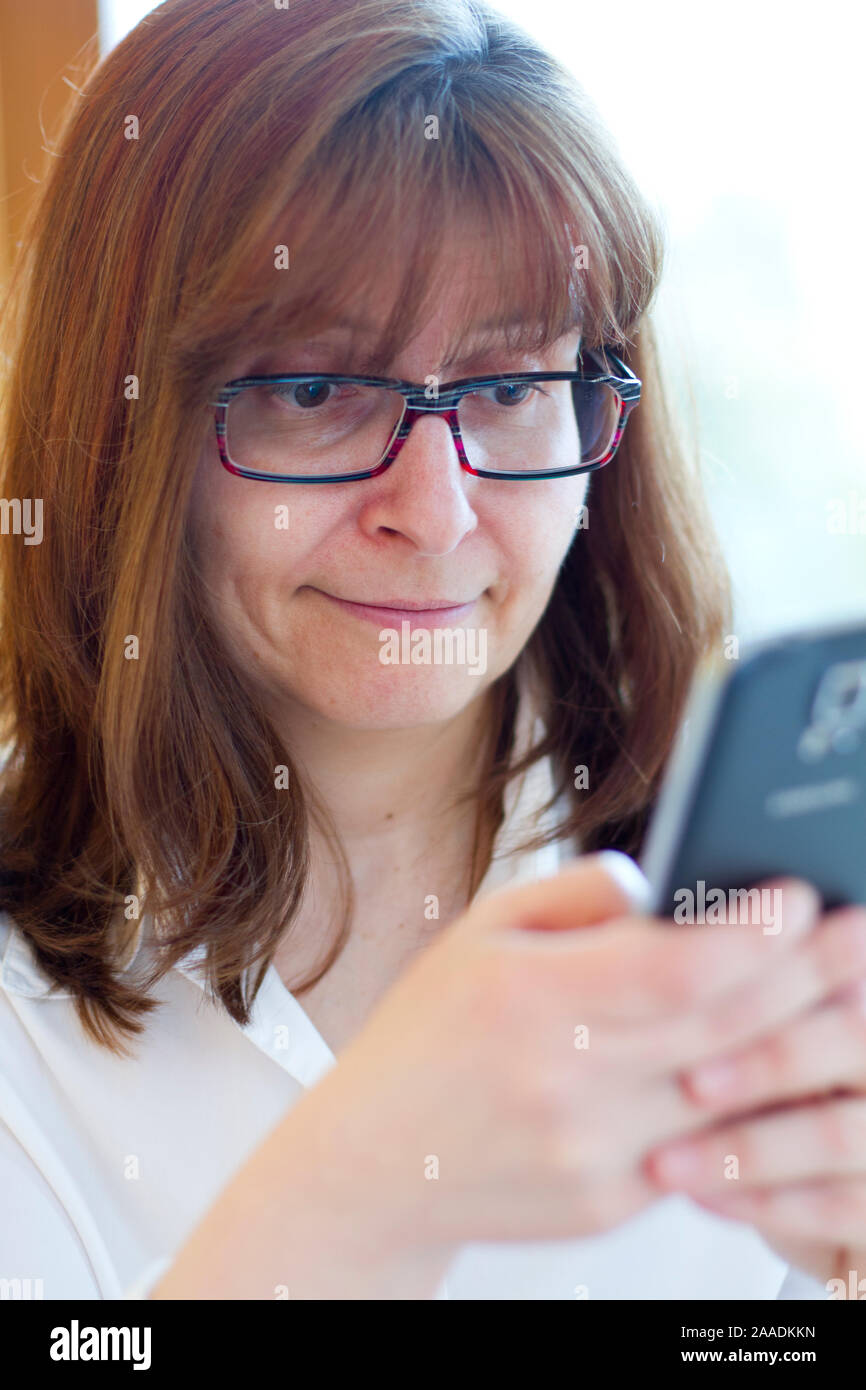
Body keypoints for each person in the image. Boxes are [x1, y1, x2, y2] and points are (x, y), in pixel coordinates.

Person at [0, 0, 864, 1302]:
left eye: (509, 388)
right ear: (125, 438)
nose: (436, 511)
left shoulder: (770, 922)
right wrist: (372, 1174)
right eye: (312, 390)